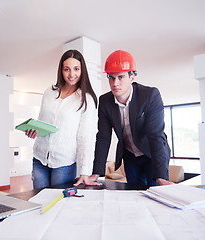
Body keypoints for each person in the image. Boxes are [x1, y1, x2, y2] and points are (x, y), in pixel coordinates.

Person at [75, 50, 172, 186]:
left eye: (121, 77)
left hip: (152, 154)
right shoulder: (105, 101)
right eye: (111, 77)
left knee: (155, 192)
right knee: (133, 194)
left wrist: (161, 177)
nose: (115, 83)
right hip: (129, 155)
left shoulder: (150, 95)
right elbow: (103, 137)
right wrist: (96, 173)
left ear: (132, 77)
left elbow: (156, 135)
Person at [25, 49, 98, 189]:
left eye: (76, 69)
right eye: (67, 69)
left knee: (59, 204)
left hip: (64, 163)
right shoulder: (49, 92)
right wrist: (34, 130)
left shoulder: (86, 99)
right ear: (61, 70)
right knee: (39, 201)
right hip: (40, 158)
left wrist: (85, 172)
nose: (72, 74)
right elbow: (42, 122)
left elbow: (86, 137)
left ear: (82, 70)